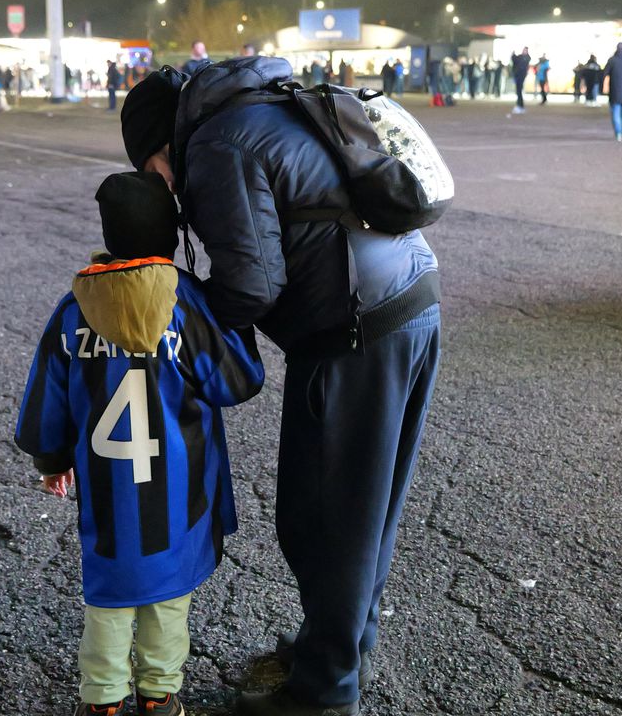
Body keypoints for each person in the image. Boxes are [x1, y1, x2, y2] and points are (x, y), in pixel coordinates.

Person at [121, 57, 441, 716]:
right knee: (364, 513)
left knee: (324, 522)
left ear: (160, 147)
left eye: (149, 170)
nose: (159, 188)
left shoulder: (217, 144)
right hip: (411, 300)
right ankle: (338, 650)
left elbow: (252, 285)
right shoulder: (267, 106)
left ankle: (324, 695)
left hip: (353, 330)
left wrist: (184, 312)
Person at [15, 171, 264, 716]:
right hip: (179, 489)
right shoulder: (185, 304)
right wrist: (237, 318)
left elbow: (46, 398)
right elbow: (237, 382)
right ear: (171, 235)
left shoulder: (74, 308)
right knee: (168, 593)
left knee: (109, 595)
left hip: (108, 494)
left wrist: (51, 457)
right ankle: (160, 696)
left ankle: (102, 699)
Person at [511, 46, 531, 113]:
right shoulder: (521, 56)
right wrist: (513, 55)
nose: (524, 51)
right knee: (518, 91)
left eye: (525, 50)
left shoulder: (527, 58)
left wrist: (514, 56)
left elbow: (518, 61)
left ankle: (520, 106)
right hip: (517, 76)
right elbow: (515, 60)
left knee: (519, 91)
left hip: (521, 76)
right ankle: (519, 105)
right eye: (523, 50)